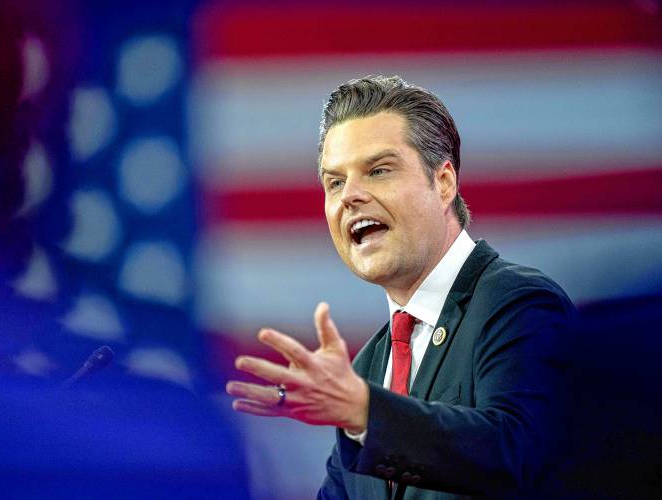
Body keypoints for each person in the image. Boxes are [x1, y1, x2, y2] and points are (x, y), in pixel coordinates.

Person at [226, 75, 576, 499]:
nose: (350, 196)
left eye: (378, 170)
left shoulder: (518, 305)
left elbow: (520, 452)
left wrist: (365, 412)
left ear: (443, 183)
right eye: (335, 182)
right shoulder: (368, 368)